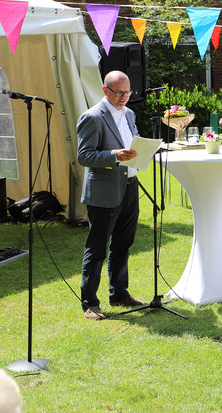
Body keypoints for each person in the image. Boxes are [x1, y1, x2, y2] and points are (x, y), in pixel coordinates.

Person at [77, 70, 147, 320]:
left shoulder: (129, 114)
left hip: (129, 185)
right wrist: (114, 156)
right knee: (97, 248)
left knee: (123, 244)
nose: (124, 97)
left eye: (127, 92)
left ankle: (119, 293)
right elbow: (84, 156)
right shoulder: (92, 117)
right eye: (118, 92)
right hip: (104, 192)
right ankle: (90, 303)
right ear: (105, 90)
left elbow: (132, 143)